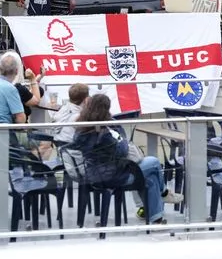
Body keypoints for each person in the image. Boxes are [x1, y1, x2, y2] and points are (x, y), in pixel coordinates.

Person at [71, 94, 182, 223]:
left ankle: (155, 218)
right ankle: (164, 193)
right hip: (113, 176)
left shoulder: (82, 129)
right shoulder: (104, 133)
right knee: (154, 162)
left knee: (150, 178)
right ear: (105, 109)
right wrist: (118, 132)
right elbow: (122, 150)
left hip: (94, 173)